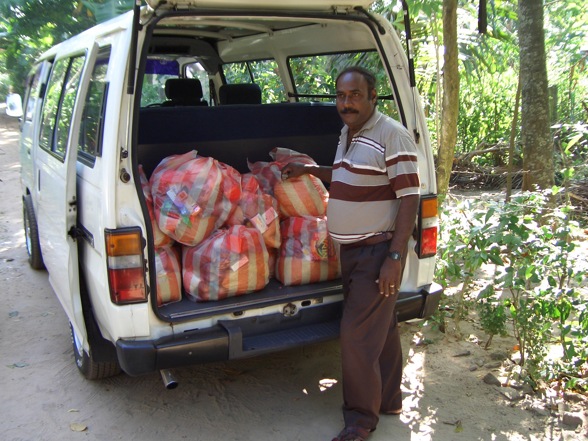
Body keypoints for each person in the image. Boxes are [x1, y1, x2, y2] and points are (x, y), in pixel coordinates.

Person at [281, 66, 420, 441]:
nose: (347, 103)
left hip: (377, 252)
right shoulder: (350, 132)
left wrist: (395, 258)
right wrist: (309, 169)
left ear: (373, 97)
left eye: (355, 95)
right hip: (354, 252)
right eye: (341, 96)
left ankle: (360, 421)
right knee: (382, 329)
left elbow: (410, 198)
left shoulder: (392, 135)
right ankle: (389, 399)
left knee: (356, 336)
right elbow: (346, 174)